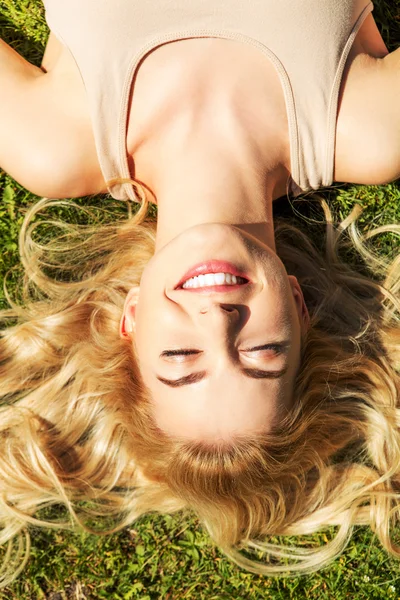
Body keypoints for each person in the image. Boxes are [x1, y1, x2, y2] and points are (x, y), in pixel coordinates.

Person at [0, 0, 399, 585]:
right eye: (262, 354)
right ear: (299, 305)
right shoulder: (367, 129)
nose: (218, 321)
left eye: (181, 358)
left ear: (130, 320)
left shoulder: (56, 144)